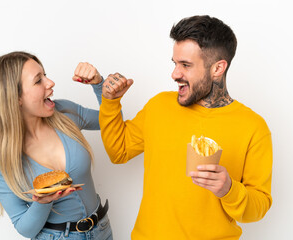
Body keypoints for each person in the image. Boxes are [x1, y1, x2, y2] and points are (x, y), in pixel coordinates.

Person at [100, 15, 272, 239]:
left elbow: (260, 205)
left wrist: (229, 190)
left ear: (218, 68)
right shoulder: (159, 106)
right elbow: (118, 151)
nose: (175, 74)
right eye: (175, 63)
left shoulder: (253, 127)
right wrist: (110, 102)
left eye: (186, 65)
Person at [0, 51, 113, 240]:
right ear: (15, 98)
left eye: (45, 75)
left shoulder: (64, 113)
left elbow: (111, 122)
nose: (50, 83)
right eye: (38, 80)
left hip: (102, 231)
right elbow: (25, 228)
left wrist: (99, 85)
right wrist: (42, 202)